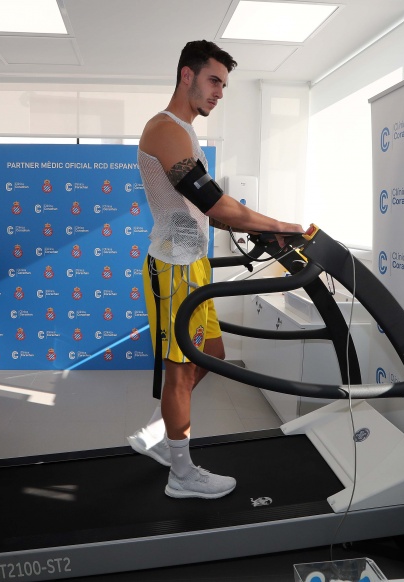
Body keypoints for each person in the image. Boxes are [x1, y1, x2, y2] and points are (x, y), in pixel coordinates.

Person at [128, 40, 303, 500]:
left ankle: (159, 434)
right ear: (187, 75)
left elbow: (205, 211)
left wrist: (263, 230)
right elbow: (212, 202)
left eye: (223, 85)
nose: (220, 92)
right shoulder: (164, 129)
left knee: (213, 354)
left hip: (194, 265)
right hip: (173, 267)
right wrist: (279, 224)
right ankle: (181, 474)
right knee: (180, 372)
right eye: (213, 81)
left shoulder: (185, 131)